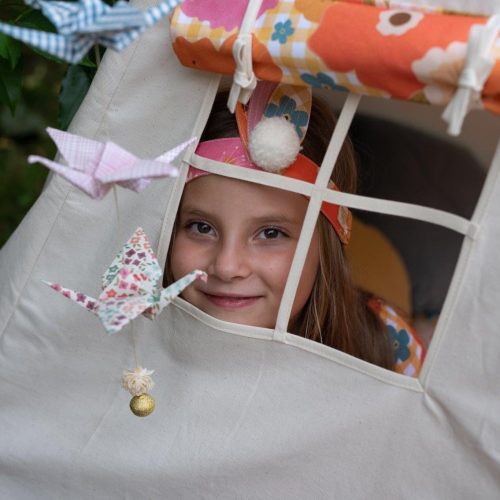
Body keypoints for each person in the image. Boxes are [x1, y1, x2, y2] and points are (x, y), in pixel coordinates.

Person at [166, 85, 424, 376]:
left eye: (271, 233)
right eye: (202, 227)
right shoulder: (134, 337)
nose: (227, 267)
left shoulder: (387, 346)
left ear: (327, 244)